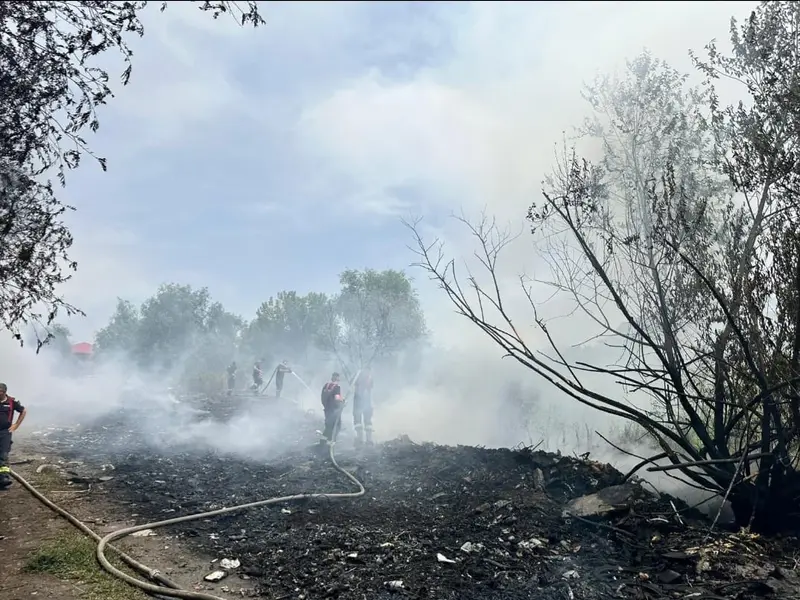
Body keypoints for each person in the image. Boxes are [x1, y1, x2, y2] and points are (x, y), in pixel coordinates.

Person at [0, 383, 27, 490]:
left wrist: (16, 425)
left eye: (0, 391)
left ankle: (3, 479)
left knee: (3, 455)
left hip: (5, 432)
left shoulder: (11, 402)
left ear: (5, 392)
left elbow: (23, 411)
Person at [319, 372, 344, 446]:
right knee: (337, 426)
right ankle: (330, 443)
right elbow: (337, 398)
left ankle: (323, 441)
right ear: (338, 378)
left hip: (327, 409)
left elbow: (322, 398)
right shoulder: (337, 387)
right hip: (334, 410)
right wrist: (343, 401)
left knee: (328, 426)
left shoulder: (326, 386)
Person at [353, 368, 374, 447]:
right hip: (366, 404)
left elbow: (354, 385)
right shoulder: (368, 378)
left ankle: (363, 439)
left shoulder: (366, 379)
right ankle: (366, 440)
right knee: (365, 422)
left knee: (360, 422)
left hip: (360, 404)